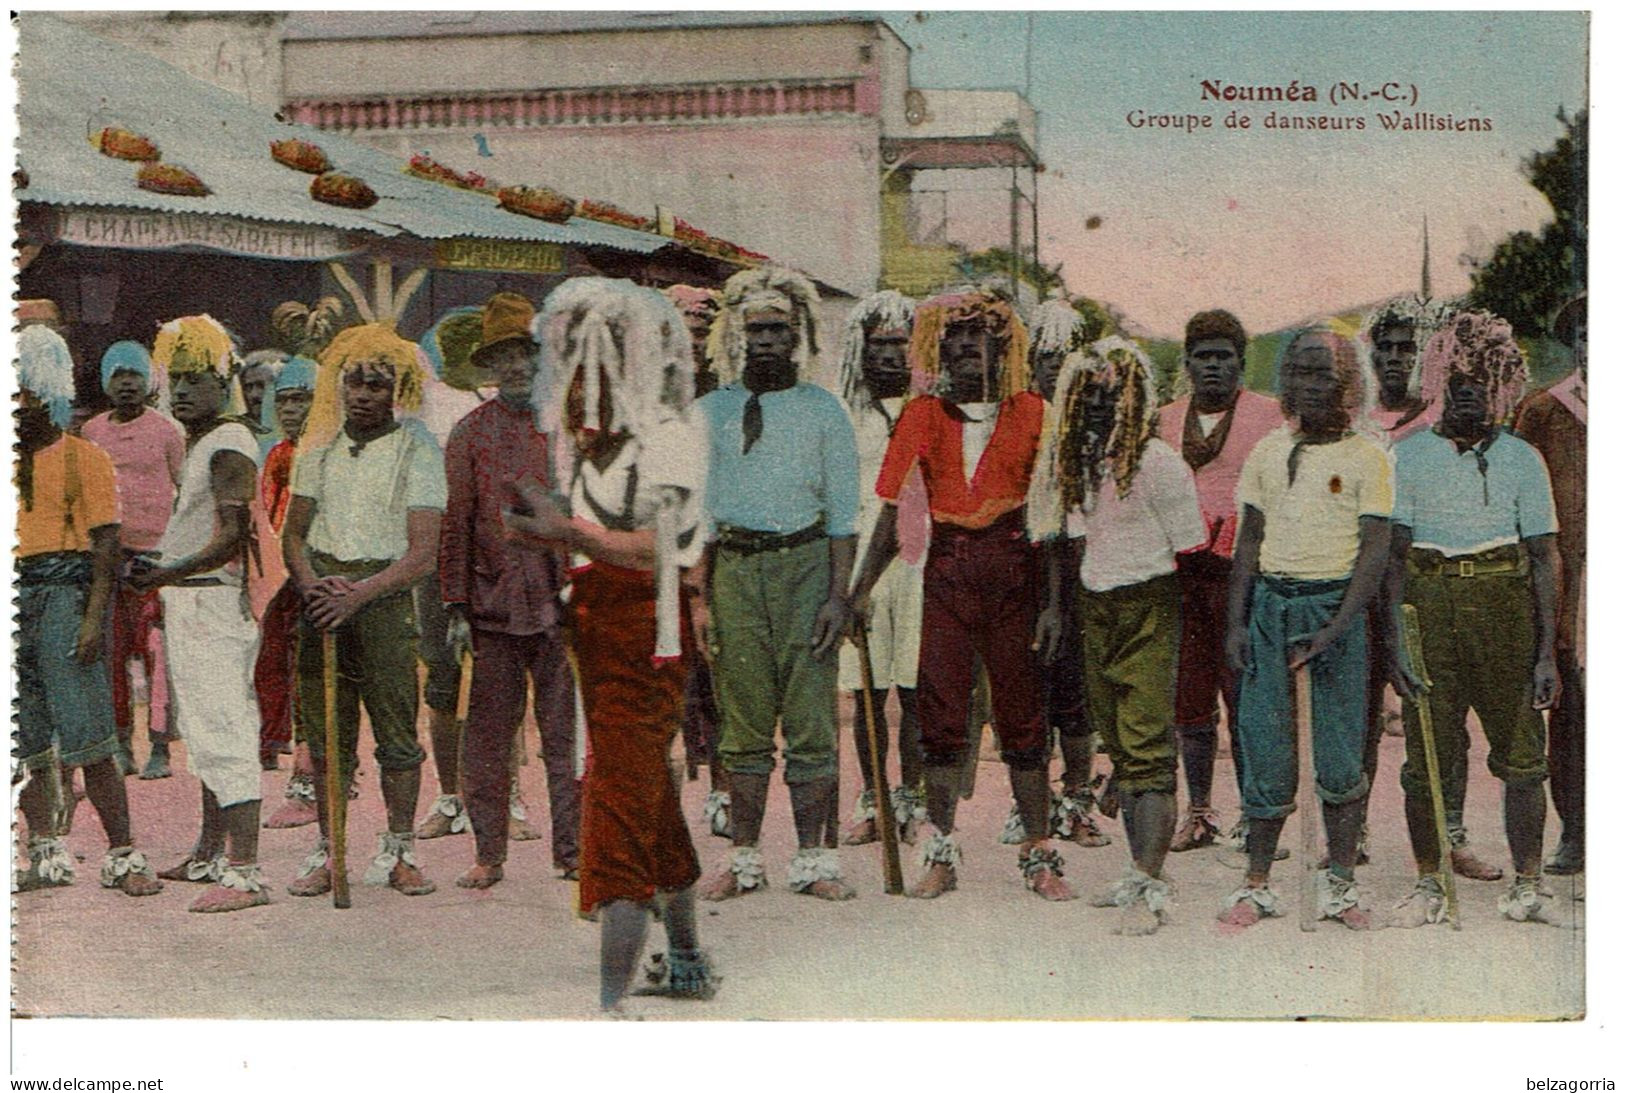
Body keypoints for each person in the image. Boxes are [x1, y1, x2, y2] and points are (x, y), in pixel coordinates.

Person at [508, 277, 716, 1013]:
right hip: (597, 634)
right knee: (647, 796)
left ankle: (607, 1004)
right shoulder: (592, 445)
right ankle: (687, 957)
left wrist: (570, 533)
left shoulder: (669, 436)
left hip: (647, 637)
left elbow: (666, 551)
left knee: (618, 803)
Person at [850, 288, 1074, 901]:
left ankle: (1040, 853)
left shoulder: (1034, 412)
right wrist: (860, 588)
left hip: (1016, 569)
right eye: (957, 337)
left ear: (1003, 346)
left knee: (1023, 718)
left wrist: (1054, 603)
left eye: (983, 336)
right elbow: (894, 514)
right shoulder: (922, 415)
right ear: (939, 347)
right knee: (941, 717)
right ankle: (942, 852)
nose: (970, 346)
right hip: (947, 571)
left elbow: (1051, 516)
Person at [1388, 311, 1563, 926]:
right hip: (1430, 607)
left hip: (1503, 608)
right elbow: (1394, 554)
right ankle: (1431, 881)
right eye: (1457, 379)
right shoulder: (1406, 456)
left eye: (1482, 382)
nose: (1469, 393)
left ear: (1501, 385)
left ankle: (1527, 883)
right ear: (1438, 379)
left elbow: (1544, 555)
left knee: (1522, 754)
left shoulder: (1522, 459)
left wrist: (1544, 653)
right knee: (1429, 752)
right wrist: (1394, 641)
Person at [693, 267, 859, 902]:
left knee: (813, 719)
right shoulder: (710, 412)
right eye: (755, 328)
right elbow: (698, 518)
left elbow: (844, 516)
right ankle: (742, 858)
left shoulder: (823, 411)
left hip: (806, 565)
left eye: (777, 330)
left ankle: (815, 860)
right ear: (737, 334)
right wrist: (702, 600)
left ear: (798, 336)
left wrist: (839, 598)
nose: (765, 340)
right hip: (735, 569)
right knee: (743, 720)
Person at [1031, 336, 1207, 932]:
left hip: (1150, 603)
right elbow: (1062, 537)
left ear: (1135, 398)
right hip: (1094, 606)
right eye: (1089, 398)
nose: (1102, 408)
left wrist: (1184, 632)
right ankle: (1140, 868)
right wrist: (1060, 609)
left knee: (1149, 747)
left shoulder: (1157, 463)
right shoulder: (1073, 462)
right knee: (1122, 748)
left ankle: (1150, 886)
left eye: (1113, 397)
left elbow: (1192, 552)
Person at [1220, 327, 1391, 930]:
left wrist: (1337, 629)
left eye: (1321, 373)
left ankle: (1339, 886)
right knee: (1265, 744)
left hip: (1334, 616)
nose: (1306, 385)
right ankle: (1257, 882)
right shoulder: (1267, 452)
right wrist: (1237, 624)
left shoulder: (1368, 457)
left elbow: (1374, 554)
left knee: (1341, 754)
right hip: (1271, 611)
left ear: (1347, 384)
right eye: (1296, 373)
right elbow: (1249, 542)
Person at [282, 323, 442, 899]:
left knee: (397, 733)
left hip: (383, 600)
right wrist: (315, 589)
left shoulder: (417, 446)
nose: (364, 395)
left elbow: (423, 552)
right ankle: (330, 851)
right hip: (323, 599)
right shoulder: (318, 447)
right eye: (355, 383)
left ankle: (400, 851)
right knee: (327, 736)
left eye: (378, 384)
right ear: (340, 385)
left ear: (396, 388)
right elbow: (293, 535)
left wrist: (362, 594)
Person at [13, 325, 164, 898]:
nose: (18, 407)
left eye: (27, 393)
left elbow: (106, 551)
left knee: (88, 733)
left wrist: (90, 620)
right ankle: (46, 851)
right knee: (23, 739)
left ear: (49, 392)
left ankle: (124, 854)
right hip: (15, 599)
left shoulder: (85, 459)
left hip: (66, 594)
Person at [438, 293, 580, 888]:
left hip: (563, 607)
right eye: (504, 358)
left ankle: (571, 853)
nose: (517, 367)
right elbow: (458, 521)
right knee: (489, 738)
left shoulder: (569, 425)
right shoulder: (469, 434)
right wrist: (455, 606)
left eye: (526, 354)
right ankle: (489, 852)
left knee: (564, 736)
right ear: (489, 367)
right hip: (492, 606)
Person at [130, 315, 270, 912]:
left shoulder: (230, 442)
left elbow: (232, 538)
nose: (182, 390)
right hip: (191, 599)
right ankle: (210, 850)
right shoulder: (203, 440)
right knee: (205, 736)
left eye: (196, 378)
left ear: (224, 380)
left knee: (225, 732)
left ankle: (244, 872)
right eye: (175, 379)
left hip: (213, 599)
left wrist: (165, 573)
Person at [1155, 310, 1284, 854]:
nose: (1213, 367)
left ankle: (1257, 815)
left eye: (1223, 356)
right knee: (1190, 698)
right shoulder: (1162, 420)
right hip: (1180, 573)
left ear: (1241, 362)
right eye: (1203, 357)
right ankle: (1200, 810)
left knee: (1246, 695)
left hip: (1243, 573)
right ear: (1186, 363)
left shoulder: (1270, 416)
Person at [834, 290, 930, 847]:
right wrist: (851, 583)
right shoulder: (844, 414)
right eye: (879, 347)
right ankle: (872, 794)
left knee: (915, 688)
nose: (891, 357)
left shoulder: (929, 411)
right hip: (858, 565)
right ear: (861, 352)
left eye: (901, 346)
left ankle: (911, 796)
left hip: (918, 559)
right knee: (865, 691)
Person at [1020, 298, 1114, 848]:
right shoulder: (1019, 411)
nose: (1055, 365)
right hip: (1024, 565)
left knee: (1075, 690)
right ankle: (1031, 804)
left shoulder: (1092, 416)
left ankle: (1077, 797)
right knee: (1028, 688)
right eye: (1046, 354)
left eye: (1066, 354)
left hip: (1080, 567)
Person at [80, 341, 185, 778]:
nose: (127, 384)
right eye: (119, 375)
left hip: (155, 556)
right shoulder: (91, 432)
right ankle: (121, 743)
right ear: (107, 382)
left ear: (149, 381)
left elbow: (184, 489)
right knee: (113, 653)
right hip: (107, 559)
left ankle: (160, 745)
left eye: (135, 375)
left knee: (157, 652)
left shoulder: (167, 431)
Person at [1513, 296, 1586, 878]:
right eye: (1587, 332)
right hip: (1574, 589)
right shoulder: (1546, 412)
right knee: (1573, 716)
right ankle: (1578, 832)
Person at [663, 284, 731, 835]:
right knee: (667, 670)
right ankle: (665, 794)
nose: (695, 324)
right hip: (660, 539)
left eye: (704, 317)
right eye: (684, 316)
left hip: (718, 540)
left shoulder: (730, 389)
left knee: (718, 670)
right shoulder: (654, 391)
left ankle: (724, 791)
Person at [257, 357, 325, 826]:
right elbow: (268, 514)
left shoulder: (327, 452)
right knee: (285, 670)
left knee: (315, 680)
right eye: (283, 401)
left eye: (300, 400)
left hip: (321, 574)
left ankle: (311, 782)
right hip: (282, 579)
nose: (290, 410)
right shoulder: (279, 454)